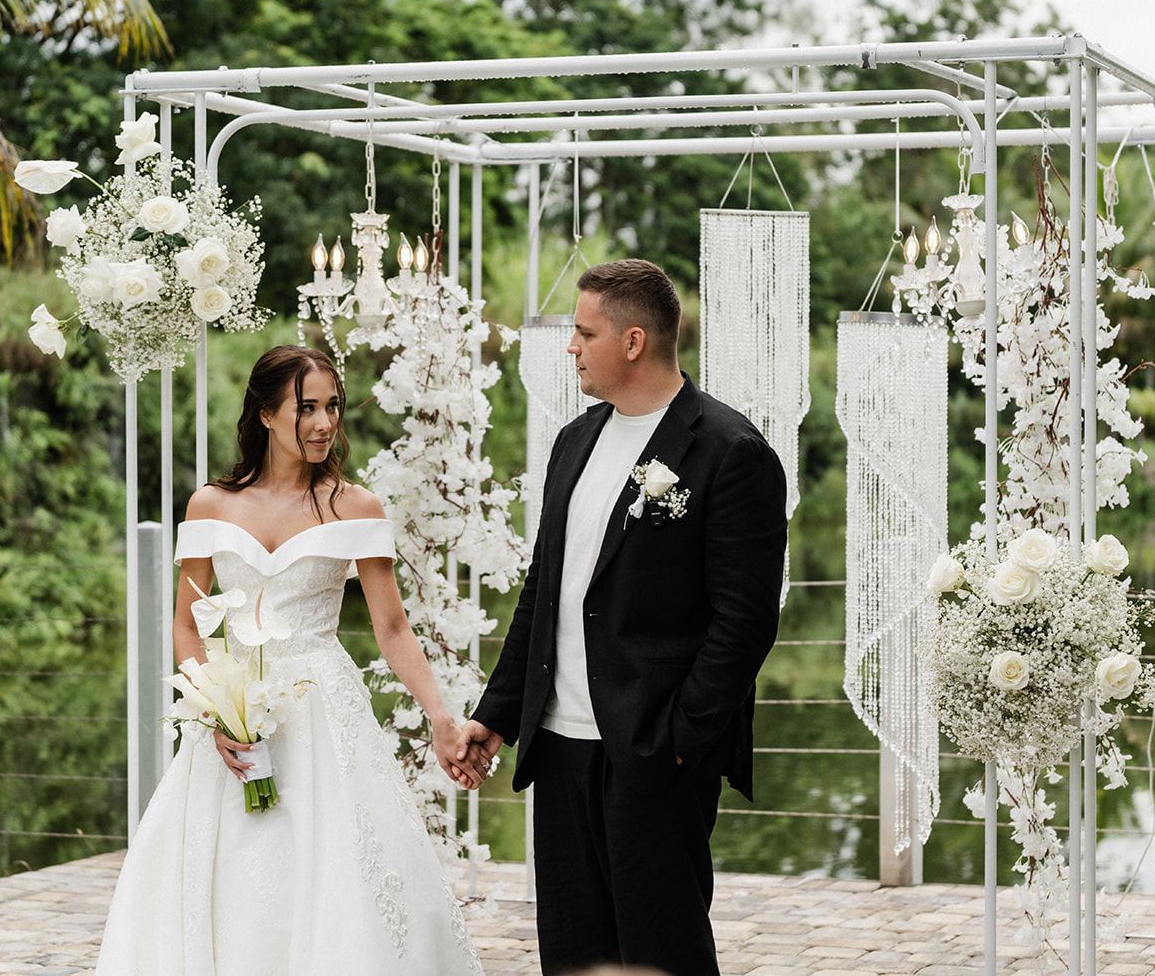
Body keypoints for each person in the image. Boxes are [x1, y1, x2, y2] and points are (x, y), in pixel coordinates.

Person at [96, 344, 484, 975]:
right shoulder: (209, 505)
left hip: (321, 712)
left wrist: (440, 715)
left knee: (335, 867)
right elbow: (186, 621)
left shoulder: (355, 506)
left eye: (332, 407)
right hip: (232, 710)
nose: (324, 423)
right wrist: (214, 711)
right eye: (306, 408)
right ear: (266, 415)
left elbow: (391, 626)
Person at [457, 259, 788, 976]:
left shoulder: (731, 451)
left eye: (584, 332)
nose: (570, 346)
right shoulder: (573, 441)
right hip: (559, 744)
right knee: (575, 958)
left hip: (653, 754)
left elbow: (747, 620)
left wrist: (678, 740)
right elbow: (545, 589)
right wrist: (501, 711)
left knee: (664, 955)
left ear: (633, 340)